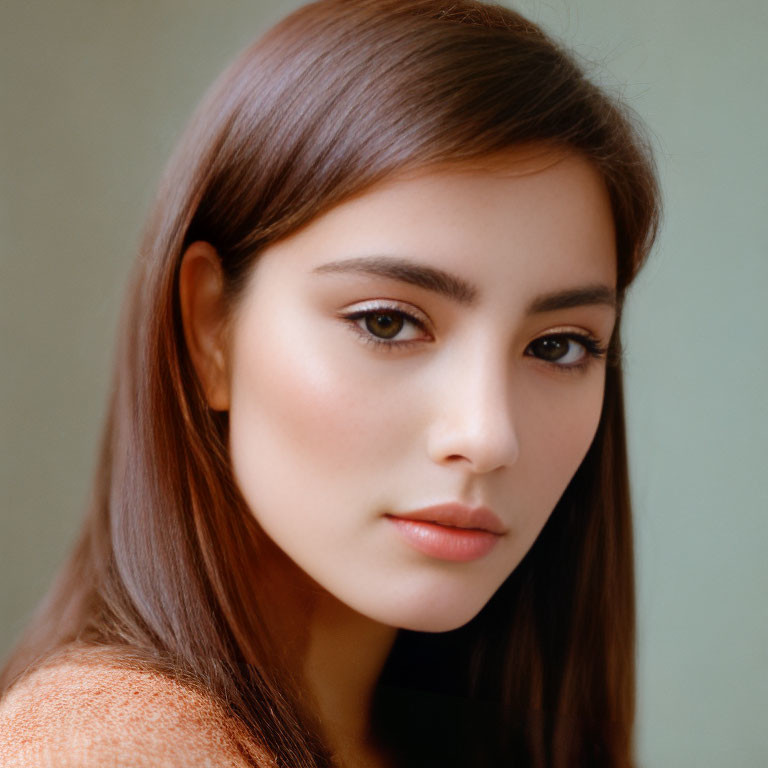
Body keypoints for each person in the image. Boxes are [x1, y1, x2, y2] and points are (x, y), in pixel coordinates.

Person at [0, 1, 660, 766]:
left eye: (558, 344)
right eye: (388, 323)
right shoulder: (107, 749)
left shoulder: (458, 735)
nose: (487, 434)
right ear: (211, 328)